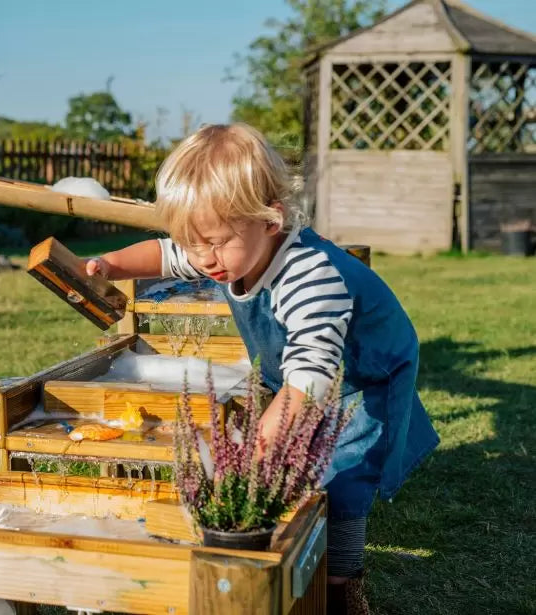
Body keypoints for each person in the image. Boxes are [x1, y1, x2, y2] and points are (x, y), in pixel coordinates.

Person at [86, 123, 439, 615]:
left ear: (270, 220)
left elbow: (312, 376)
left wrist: (264, 443)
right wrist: (111, 264)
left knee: (343, 472)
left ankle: (342, 583)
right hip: (302, 370)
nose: (201, 258)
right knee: (287, 455)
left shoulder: (311, 275)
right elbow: (165, 256)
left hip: (364, 375)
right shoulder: (222, 249)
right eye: (191, 242)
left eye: (214, 242)